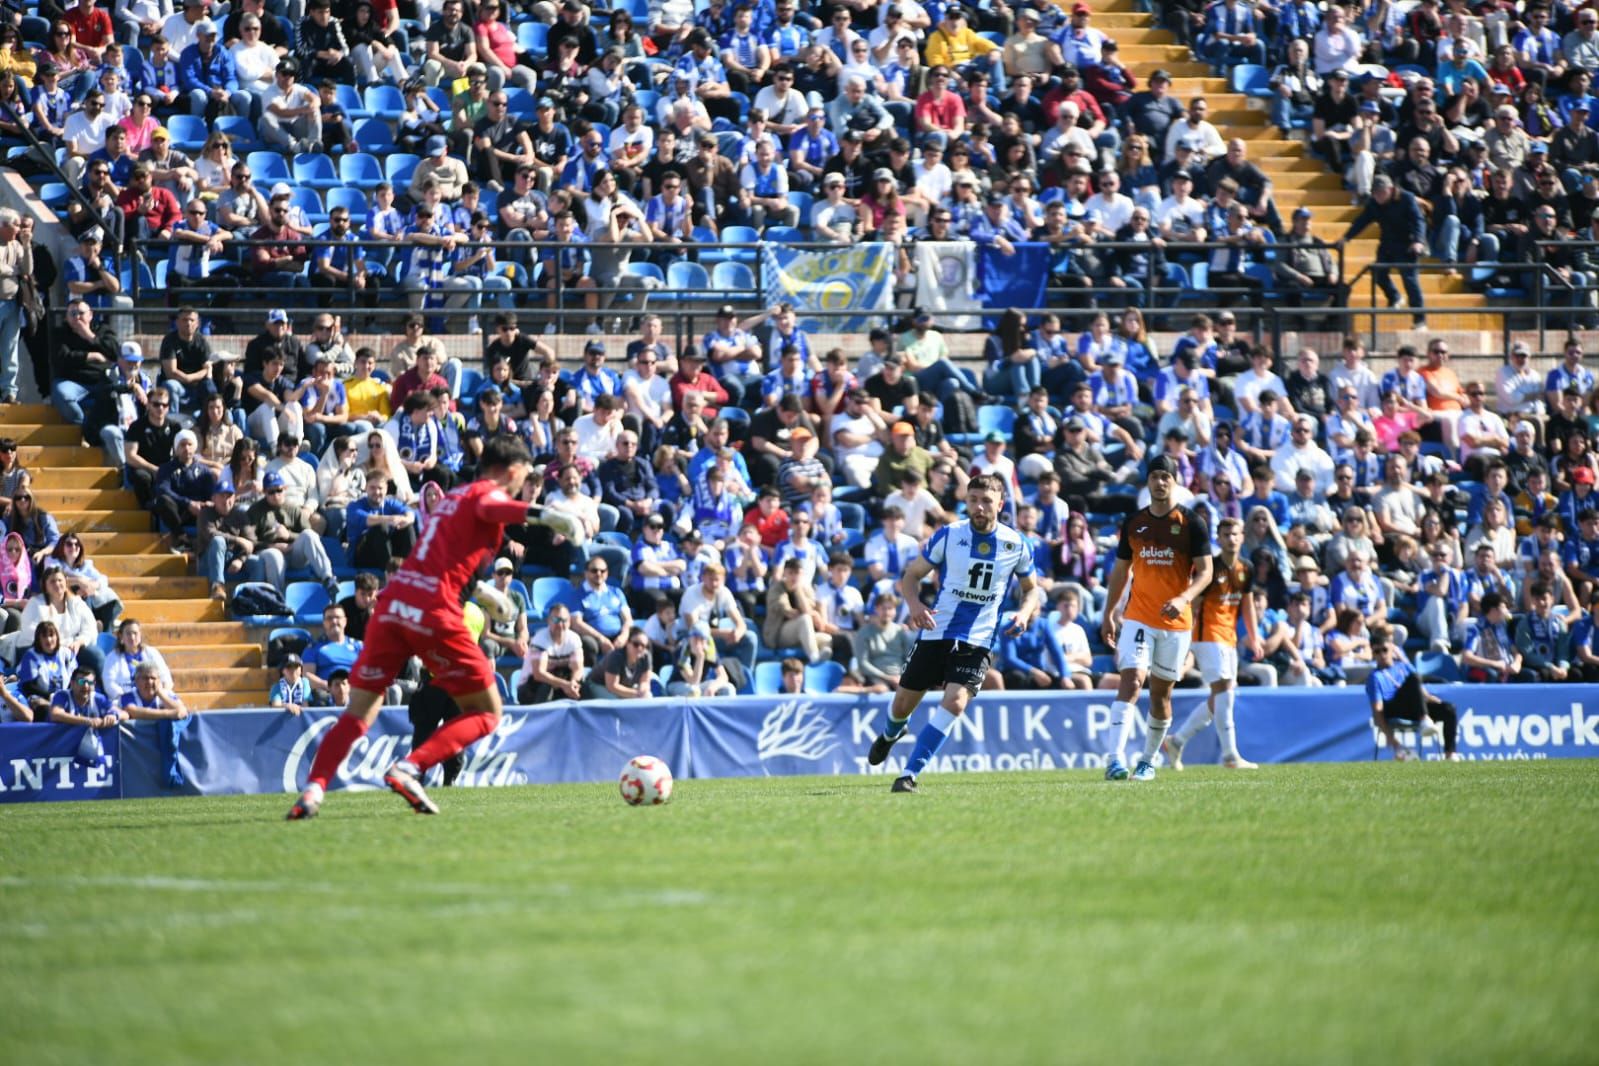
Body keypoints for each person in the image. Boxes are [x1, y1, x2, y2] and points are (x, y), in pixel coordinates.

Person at [287, 436, 540, 820]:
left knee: (359, 712)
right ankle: (409, 767)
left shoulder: (453, 500)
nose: (524, 484)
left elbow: (443, 559)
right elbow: (493, 505)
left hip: (394, 604)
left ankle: (313, 790)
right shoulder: (486, 493)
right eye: (524, 476)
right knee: (488, 712)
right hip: (432, 609)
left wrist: (483, 592)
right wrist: (548, 515)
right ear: (513, 471)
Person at [864, 475, 1043, 793]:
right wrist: (915, 604)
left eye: (986, 501)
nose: (979, 507)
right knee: (902, 705)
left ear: (1000, 505)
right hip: (937, 630)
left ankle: (909, 774)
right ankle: (892, 733)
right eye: (973, 500)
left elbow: (1032, 589)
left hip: (979, 639)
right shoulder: (949, 535)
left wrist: (1025, 612)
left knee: (956, 701)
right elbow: (911, 576)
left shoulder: (1016, 544)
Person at [1100, 455, 1214, 781]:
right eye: (1155, 476)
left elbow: (1205, 572)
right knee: (1132, 681)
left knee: (1161, 695)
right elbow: (1121, 572)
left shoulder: (1192, 523)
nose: (1160, 482)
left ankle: (1148, 761)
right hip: (1138, 617)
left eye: (1166, 476)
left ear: (1175, 482)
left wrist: (1183, 598)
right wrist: (1109, 613)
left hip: (1176, 624)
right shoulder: (1134, 523)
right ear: (1147, 482)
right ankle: (1114, 760)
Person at [1162, 516, 1265, 770]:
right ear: (1218, 539)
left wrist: (1254, 637)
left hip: (1228, 638)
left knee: (1219, 697)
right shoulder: (1210, 569)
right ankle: (1230, 755)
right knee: (1225, 690)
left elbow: (1247, 604)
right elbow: (1193, 605)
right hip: (1207, 635)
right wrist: (1183, 640)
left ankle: (1177, 740)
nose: (1231, 539)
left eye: (1235, 534)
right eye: (1226, 535)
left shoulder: (1246, 568)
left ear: (1242, 537)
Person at [1366, 634, 1461, 760]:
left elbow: (1416, 686)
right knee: (1413, 678)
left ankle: (1450, 754)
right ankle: (1424, 719)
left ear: (1392, 649)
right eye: (1377, 652)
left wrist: (1428, 697)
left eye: (1385, 650)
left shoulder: (1403, 666)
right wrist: (1390, 737)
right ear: (1373, 654)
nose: (1382, 654)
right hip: (1393, 707)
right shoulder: (1375, 677)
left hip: (1413, 707)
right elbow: (1377, 709)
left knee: (1448, 708)